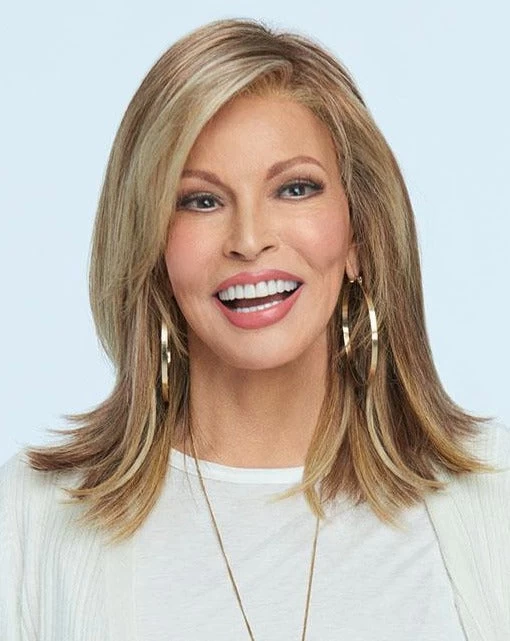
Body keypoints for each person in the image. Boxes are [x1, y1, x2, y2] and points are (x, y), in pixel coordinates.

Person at [1, 17, 509, 641]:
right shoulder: (31, 522)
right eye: (201, 200)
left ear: (359, 234)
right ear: (150, 246)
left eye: (294, 189)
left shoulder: (494, 498)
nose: (248, 239)